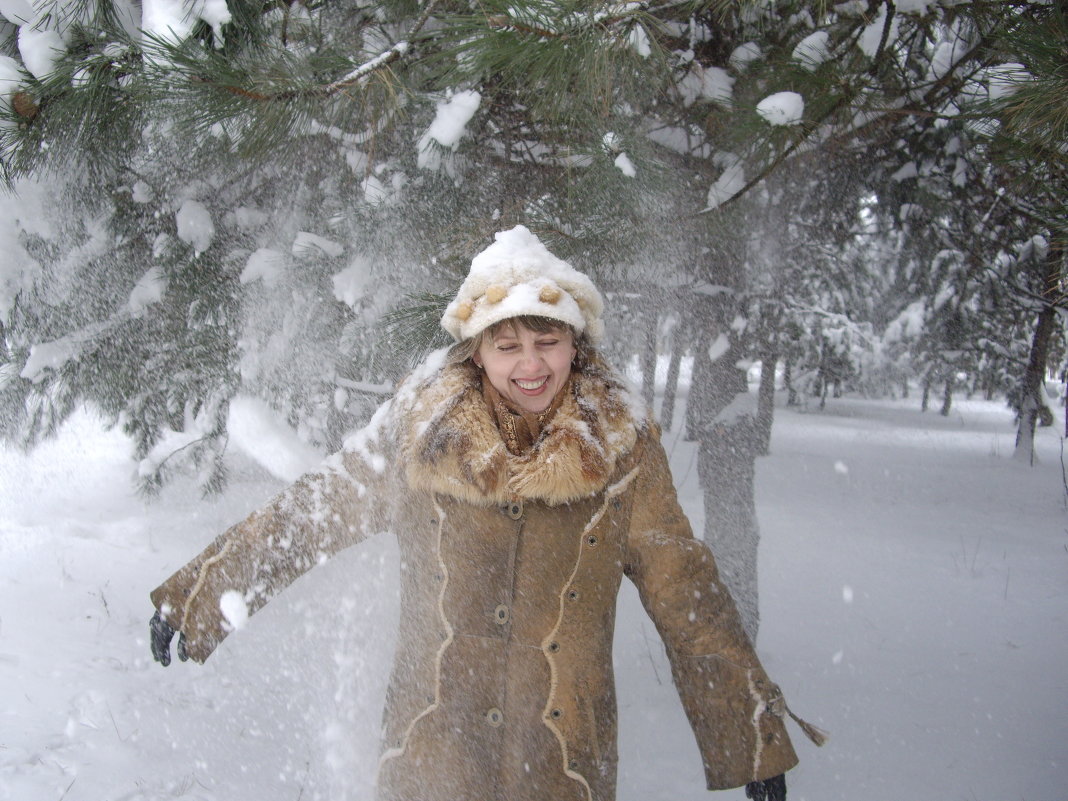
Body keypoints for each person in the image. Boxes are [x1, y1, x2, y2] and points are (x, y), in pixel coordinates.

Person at [149, 226, 821, 801]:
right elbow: (313, 509)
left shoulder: (623, 446)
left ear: (576, 342)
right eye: (508, 345)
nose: (531, 365)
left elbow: (684, 588)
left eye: (548, 341)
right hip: (431, 753)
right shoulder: (420, 433)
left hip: (560, 761)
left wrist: (749, 730)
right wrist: (203, 592)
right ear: (477, 350)